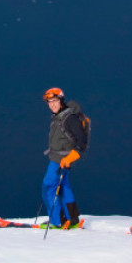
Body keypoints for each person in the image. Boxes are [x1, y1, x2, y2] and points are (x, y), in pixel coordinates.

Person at [41, 87, 87, 229]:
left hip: (60, 160)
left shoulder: (69, 118)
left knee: (48, 186)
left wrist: (70, 158)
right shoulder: (60, 116)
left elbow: (82, 141)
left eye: (54, 100)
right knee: (63, 187)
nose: (52, 104)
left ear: (61, 100)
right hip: (60, 158)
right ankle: (72, 220)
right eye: (49, 102)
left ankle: (57, 221)